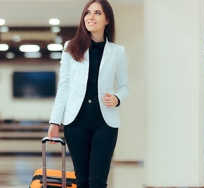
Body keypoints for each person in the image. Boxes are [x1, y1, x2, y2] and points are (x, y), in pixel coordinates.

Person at [47, 0, 129, 188]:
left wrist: (117, 99)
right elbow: (64, 87)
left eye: (97, 13)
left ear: (107, 19)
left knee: (98, 181)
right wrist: (54, 121)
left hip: (105, 122)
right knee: (82, 181)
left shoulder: (117, 52)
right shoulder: (71, 47)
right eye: (87, 13)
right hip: (76, 120)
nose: (90, 17)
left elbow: (124, 86)